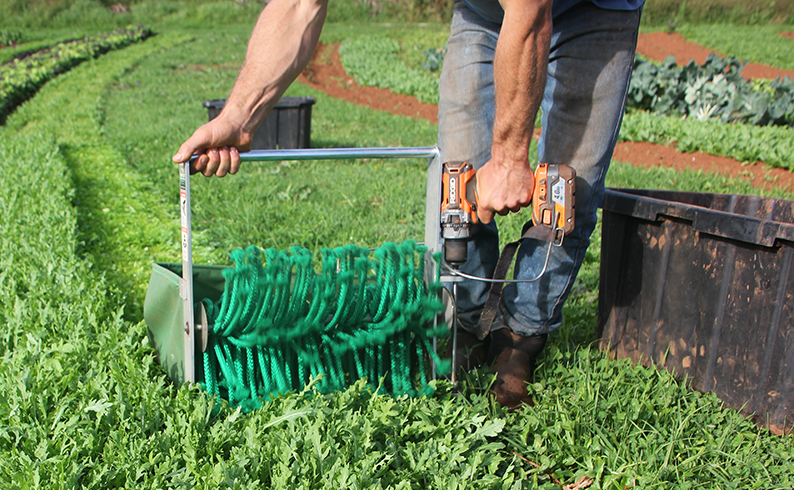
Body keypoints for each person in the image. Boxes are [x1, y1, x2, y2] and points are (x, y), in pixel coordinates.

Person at [173, 0, 644, 408]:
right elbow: (299, 7)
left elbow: (531, 11)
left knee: (566, 188)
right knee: (456, 178)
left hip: (594, 11)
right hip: (485, 13)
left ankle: (520, 337)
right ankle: (459, 324)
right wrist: (237, 117)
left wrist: (508, 157)